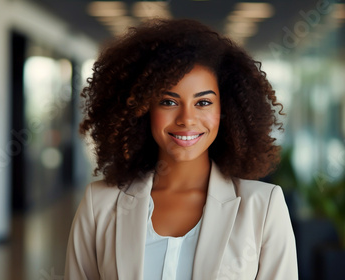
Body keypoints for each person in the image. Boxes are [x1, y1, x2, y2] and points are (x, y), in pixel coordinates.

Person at [64, 18, 297, 280]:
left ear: (226, 110)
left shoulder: (263, 206)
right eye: (168, 101)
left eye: (203, 103)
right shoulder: (100, 205)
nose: (187, 119)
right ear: (142, 110)